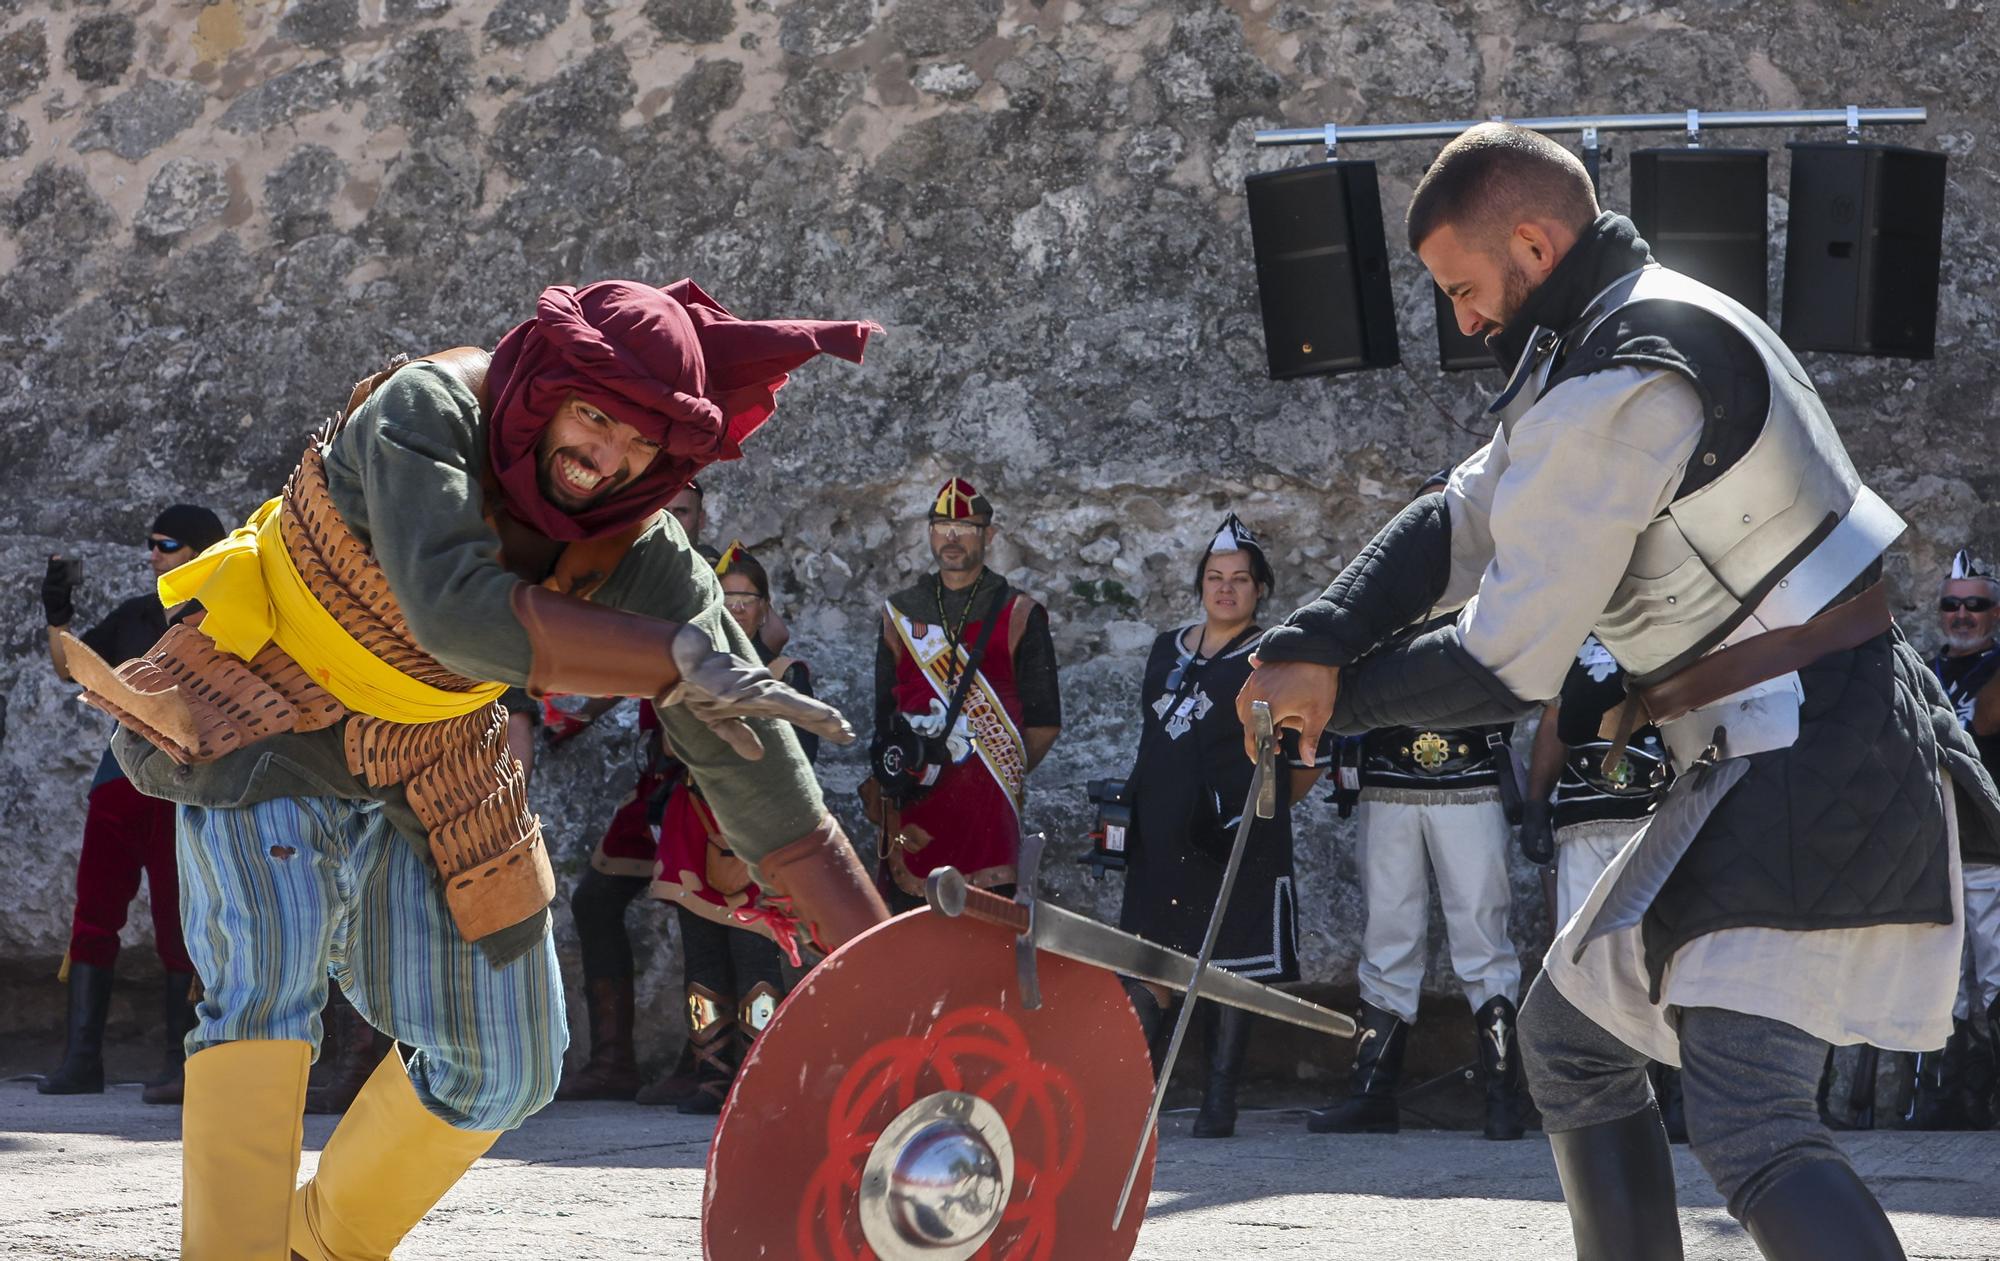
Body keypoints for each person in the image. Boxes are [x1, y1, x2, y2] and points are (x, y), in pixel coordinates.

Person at [1237, 123, 1999, 1260]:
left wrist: (1326, 702)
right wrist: (1316, 635)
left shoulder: (1626, 374)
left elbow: (1509, 662)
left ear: (1534, 244)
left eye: (1462, 287)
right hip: (1770, 741)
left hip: (1811, 747)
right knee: (1569, 1041)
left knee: (1748, 1116)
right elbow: (1457, 518)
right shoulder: (1610, 337)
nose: (1461, 319)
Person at [63, 279, 891, 1258]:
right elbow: (452, 610)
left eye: (642, 443)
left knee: (510, 1062)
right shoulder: (422, 407)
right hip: (267, 715)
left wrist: (885, 980)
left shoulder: (647, 551)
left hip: (439, 760)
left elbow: (753, 760)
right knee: (260, 993)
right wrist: (666, 660)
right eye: (594, 417)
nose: (608, 457)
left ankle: (310, 1248)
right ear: (545, 390)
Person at [1306, 472, 1526, 1142]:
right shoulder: (1382, 601)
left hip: (1469, 783)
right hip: (1389, 785)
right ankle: (1372, 1091)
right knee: (1388, 933)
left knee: (1482, 934)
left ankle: (1501, 1095)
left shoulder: (1496, 593)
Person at [1117, 515, 1322, 1138]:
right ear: (1200, 585)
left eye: (1239, 579)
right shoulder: (1164, 650)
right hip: (1160, 836)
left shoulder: (1279, 655)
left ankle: (1218, 1103)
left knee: (1231, 968)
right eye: (1214, 577)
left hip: (1233, 837)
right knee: (1149, 966)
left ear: (1260, 588)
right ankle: (1132, 1104)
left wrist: (1259, 815)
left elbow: (1308, 757)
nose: (1225, 589)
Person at [37, 504, 226, 1105]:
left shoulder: (229, 623)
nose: (153, 555)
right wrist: (57, 614)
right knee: (93, 915)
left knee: (181, 924)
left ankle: (180, 1065)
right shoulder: (137, 614)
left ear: (202, 550)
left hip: (185, 788)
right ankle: (81, 1062)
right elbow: (72, 667)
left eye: (166, 544)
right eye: (151, 544)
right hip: (117, 783)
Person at [650, 543, 815, 1113]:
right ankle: (714, 1075)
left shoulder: (789, 675)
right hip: (695, 826)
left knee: (756, 957)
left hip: (757, 834)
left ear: (765, 609)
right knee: (703, 961)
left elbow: (801, 757)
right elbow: (667, 750)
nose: (736, 608)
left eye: (746, 599)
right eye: (726, 598)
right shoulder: (684, 674)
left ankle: (757, 1080)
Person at [865, 478, 1061, 909]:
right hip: (916, 804)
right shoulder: (899, 613)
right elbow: (884, 717)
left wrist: (997, 771)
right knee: (912, 943)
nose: (951, 537)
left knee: (986, 945)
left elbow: (1045, 722)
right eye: (941, 525)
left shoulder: (1020, 614)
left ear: (989, 536)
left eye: (966, 527)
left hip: (987, 813)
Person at [1521, 633, 1684, 1141]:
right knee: (1580, 956)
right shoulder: (1575, 624)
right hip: (1584, 817)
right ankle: (1594, 1099)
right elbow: (1556, 719)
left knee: (1668, 955)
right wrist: (1534, 803)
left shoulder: (1679, 618)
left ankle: (1678, 1093)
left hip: (1659, 816)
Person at [1906, 550, 2000, 1129]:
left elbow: (1985, 723)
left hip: (1991, 850)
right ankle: (1941, 1101)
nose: (1962, 615)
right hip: (1932, 853)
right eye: (1952, 604)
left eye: (1976, 605)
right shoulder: (1923, 675)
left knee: (1995, 979)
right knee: (1939, 983)